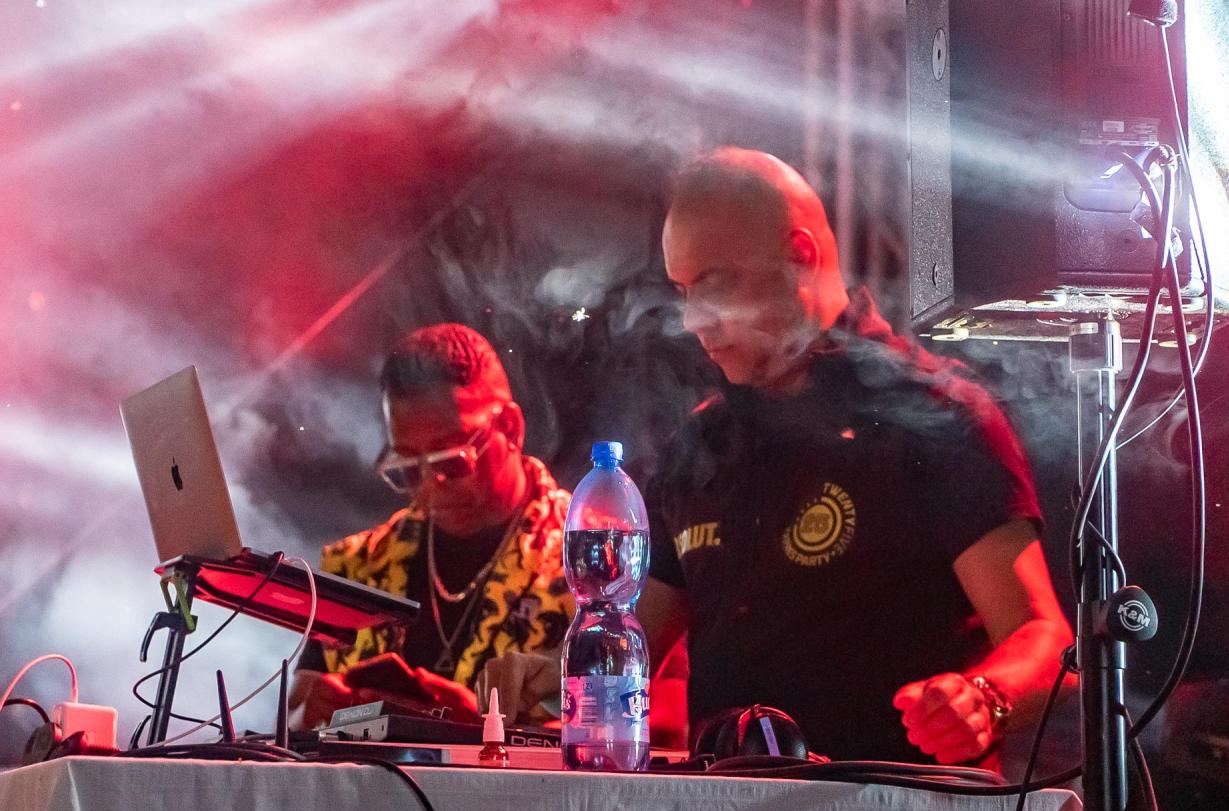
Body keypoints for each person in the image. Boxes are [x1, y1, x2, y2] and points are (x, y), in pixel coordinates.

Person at [485, 148, 1075, 766]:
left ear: (801, 255)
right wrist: (546, 681)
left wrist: (984, 698)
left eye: (715, 283)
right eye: (683, 291)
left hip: (894, 809)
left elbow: (1044, 636)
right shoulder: (700, 445)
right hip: (719, 809)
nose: (693, 319)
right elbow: (629, 651)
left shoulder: (934, 417)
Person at [289, 323, 576, 730]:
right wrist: (312, 712)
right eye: (407, 469)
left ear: (510, 428)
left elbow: (635, 727)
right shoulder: (357, 568)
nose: (429, 486)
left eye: (452, 461)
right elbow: (292, 715)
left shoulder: (589, 557)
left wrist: (472, 729)